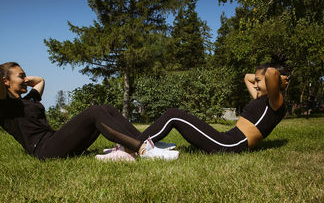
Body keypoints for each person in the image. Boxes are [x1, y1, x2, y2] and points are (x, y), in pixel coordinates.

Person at [0, 62, 179, 161]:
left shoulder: (29, 100)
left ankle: (143, 140)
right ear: (5, 81)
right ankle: (144, 151)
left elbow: (40, 81)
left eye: (25, 76)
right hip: (45, 150)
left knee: (106, 109)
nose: (25, 80)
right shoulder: (4, 107)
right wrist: (11, 78)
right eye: (20, 76)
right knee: (93, 112)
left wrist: (23, 78)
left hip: (56, 140)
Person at [123, 64, 290, 153]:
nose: (256, 84)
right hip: (227, 139)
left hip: (231, 145)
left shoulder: (276, 102)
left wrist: (279, 79)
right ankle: (132, 143)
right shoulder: (261, 98)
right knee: (174, 115)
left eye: (260, 81)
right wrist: (260, 77)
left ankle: (131, 148)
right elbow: (247, 77)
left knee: (173, 115)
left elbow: (271, 75)